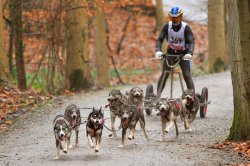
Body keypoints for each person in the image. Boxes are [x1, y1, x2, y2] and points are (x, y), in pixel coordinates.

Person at [155, 6, 195, 98]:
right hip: (170, 53)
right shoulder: (167, 26)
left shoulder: (186, 28)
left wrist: (189, 53)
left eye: (176, 17)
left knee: (186, 74)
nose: (174, 20)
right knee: (164, 74)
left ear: (180, 16)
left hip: (183, 54)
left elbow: (191, 41)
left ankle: (191, 97)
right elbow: (159, 39)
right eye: (172, 17)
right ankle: (157, 96)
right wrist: (158, 51)